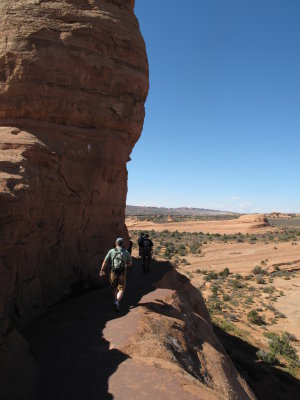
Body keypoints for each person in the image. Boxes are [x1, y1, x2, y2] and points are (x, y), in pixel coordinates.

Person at [99, 238, 132, 312]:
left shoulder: (111, 251)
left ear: (115, 243)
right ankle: (116, 302)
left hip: (113, 272)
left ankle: (116, 302)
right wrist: (126, 265)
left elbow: (105, 261)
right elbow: (130, 263)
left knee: (114, 287)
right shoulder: (126, 252)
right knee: (121, 288)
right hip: (122, 272)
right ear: (122, 244)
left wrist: (102, 270)